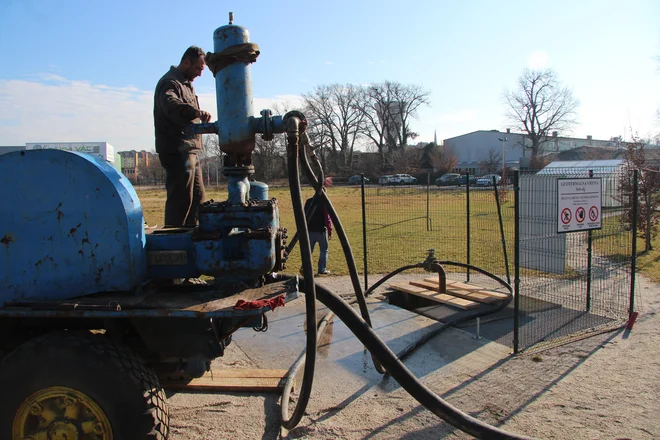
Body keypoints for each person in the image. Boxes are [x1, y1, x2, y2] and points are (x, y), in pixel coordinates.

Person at [153, 46, 212, 227]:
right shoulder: (170, 83)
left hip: (190, 150)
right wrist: (194, 112)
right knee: (181, 198)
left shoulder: (186, 85)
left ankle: (192, 239)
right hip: (177, 149)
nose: (200, 74)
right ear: (186, 61)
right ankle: (173, 243)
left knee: (198, 199)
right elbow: (171, 104)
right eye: (198, 69)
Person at [304, 196, 333, 275]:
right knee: (324, 250)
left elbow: (304, 215)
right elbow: (328, 218)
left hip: (310, 230)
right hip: (321, 231)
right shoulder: (325, 202)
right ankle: (321, 269)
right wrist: (330, 230)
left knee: (308, 250)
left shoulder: (309, 201)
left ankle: (304, 268)